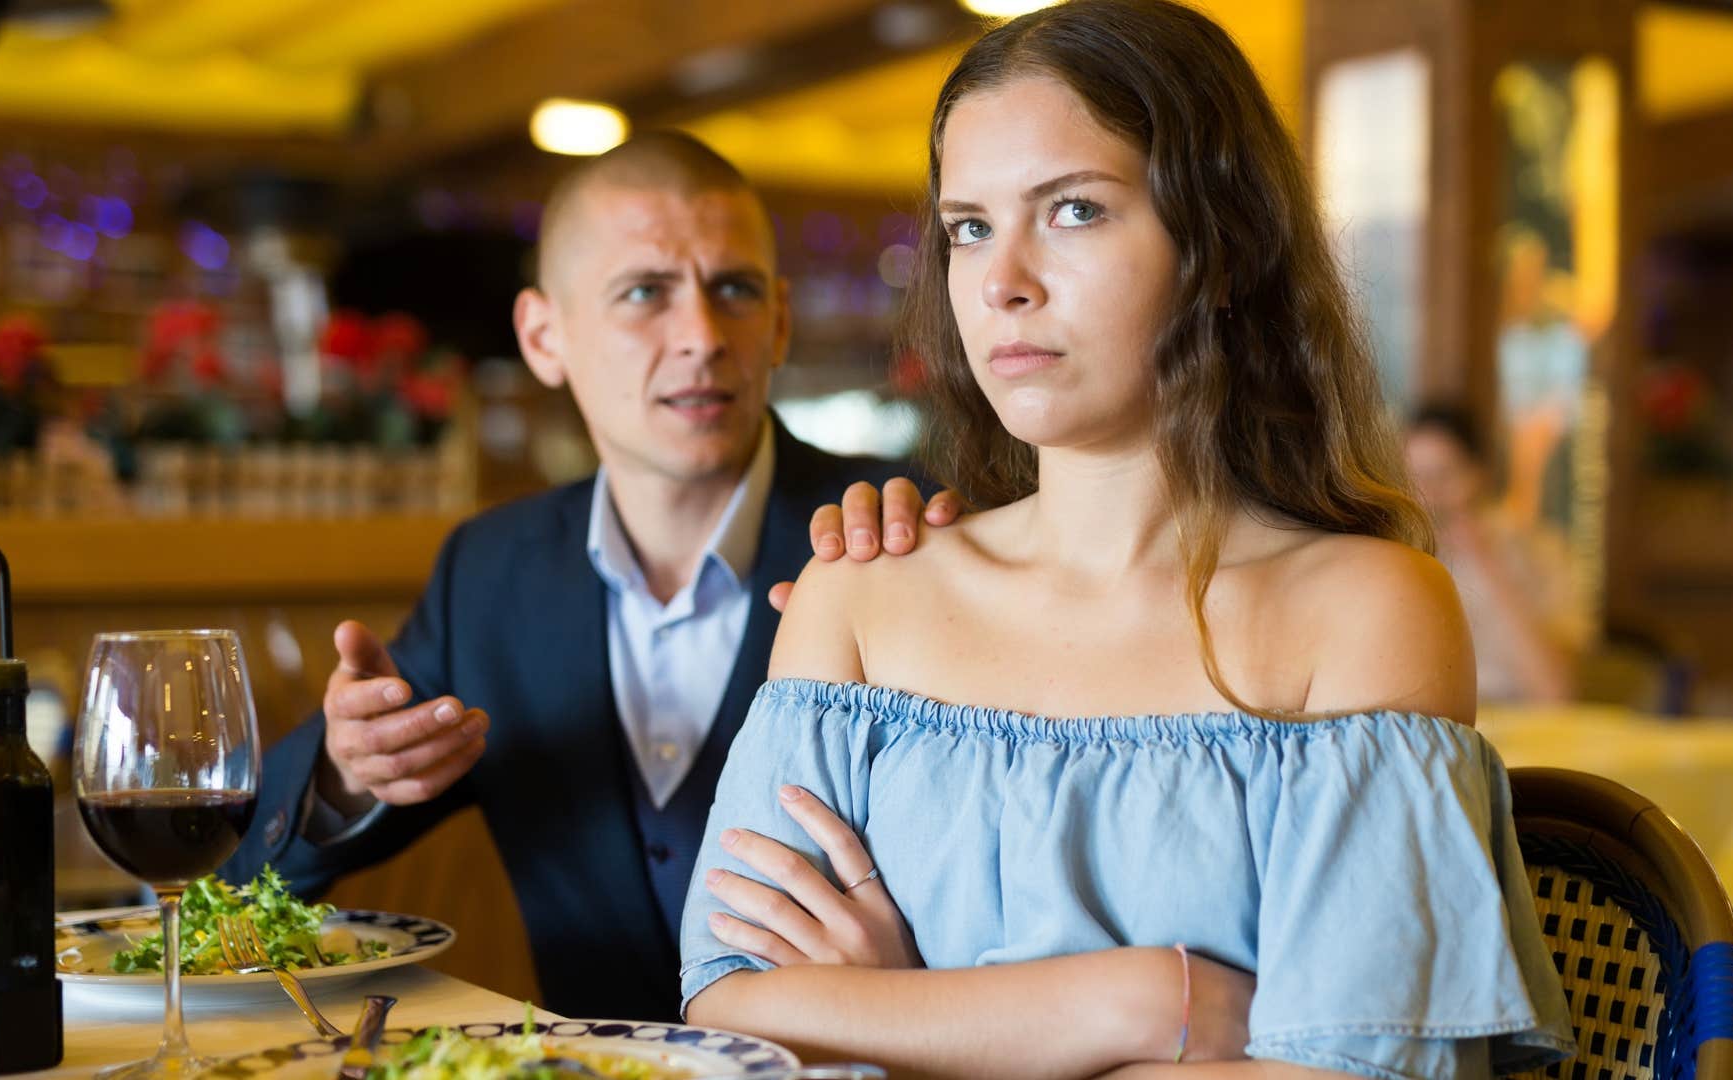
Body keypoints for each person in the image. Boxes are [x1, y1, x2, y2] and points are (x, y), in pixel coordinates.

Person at [676, 3, 1574, 1077]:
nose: (1002, 281)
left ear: (1223, 248)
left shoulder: (1367, 611)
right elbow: (727, 1000)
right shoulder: (860, 595)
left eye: (1073, 211)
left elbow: (1355, 1073)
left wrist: (910, 1019)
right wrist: (1145, 1001)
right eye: (969, 227)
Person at [222, 132, 954, 1022]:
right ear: (544, 336)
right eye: (645, 292)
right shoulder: (491, 572)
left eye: (734, 289)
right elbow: (242, 876)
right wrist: (345, 771)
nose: (701, 337)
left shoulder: (903, 536)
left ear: (779, 322)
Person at [1403, 404, 1584, 703]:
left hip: (1521, 719)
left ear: (1478, 475)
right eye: (1414, 478)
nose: (1428, 495)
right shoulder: (1394, 558)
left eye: (1443, 475)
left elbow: (1555, 693)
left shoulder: (1539, 550)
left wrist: (1487, 563)